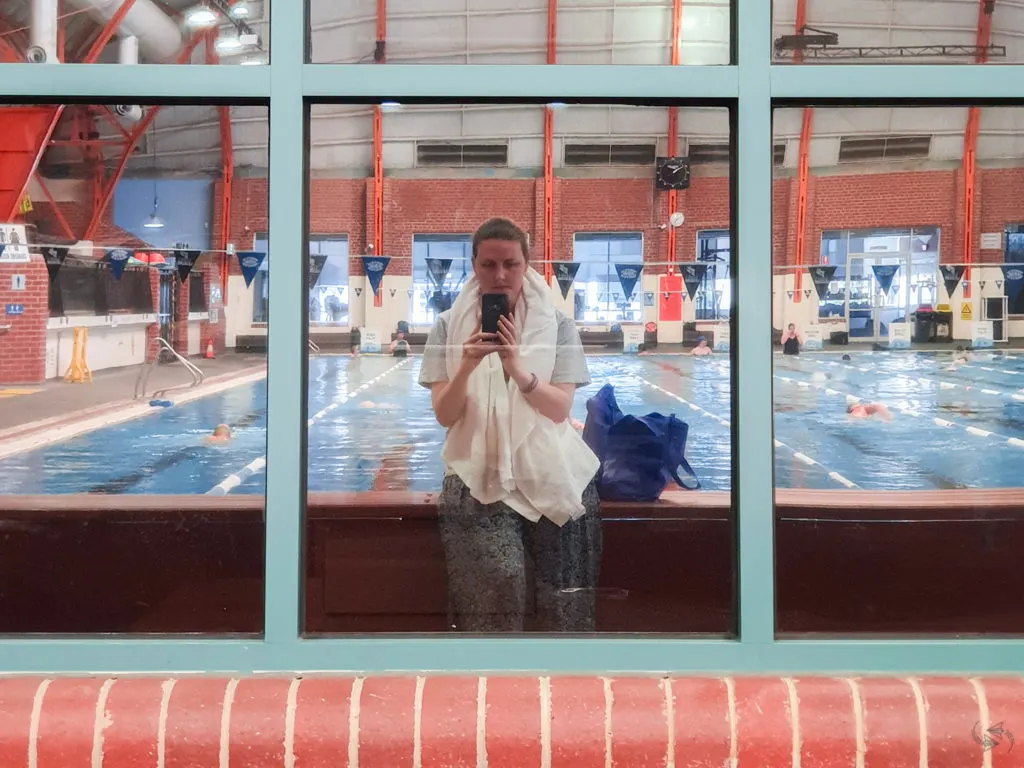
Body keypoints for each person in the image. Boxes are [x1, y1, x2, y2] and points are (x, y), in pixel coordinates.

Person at [419, 217, 602, 633]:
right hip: (477, 474)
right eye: (488, 264)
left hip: (553, 473)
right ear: (473, 264)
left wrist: (518, 370)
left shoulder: (558, 326)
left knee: (563, 603)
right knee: (497, 590)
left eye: (510, 264)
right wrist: (466, 365)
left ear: (527, 264)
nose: (500, 275)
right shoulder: (448, 327)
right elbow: (445, 415)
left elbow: (559, 409)